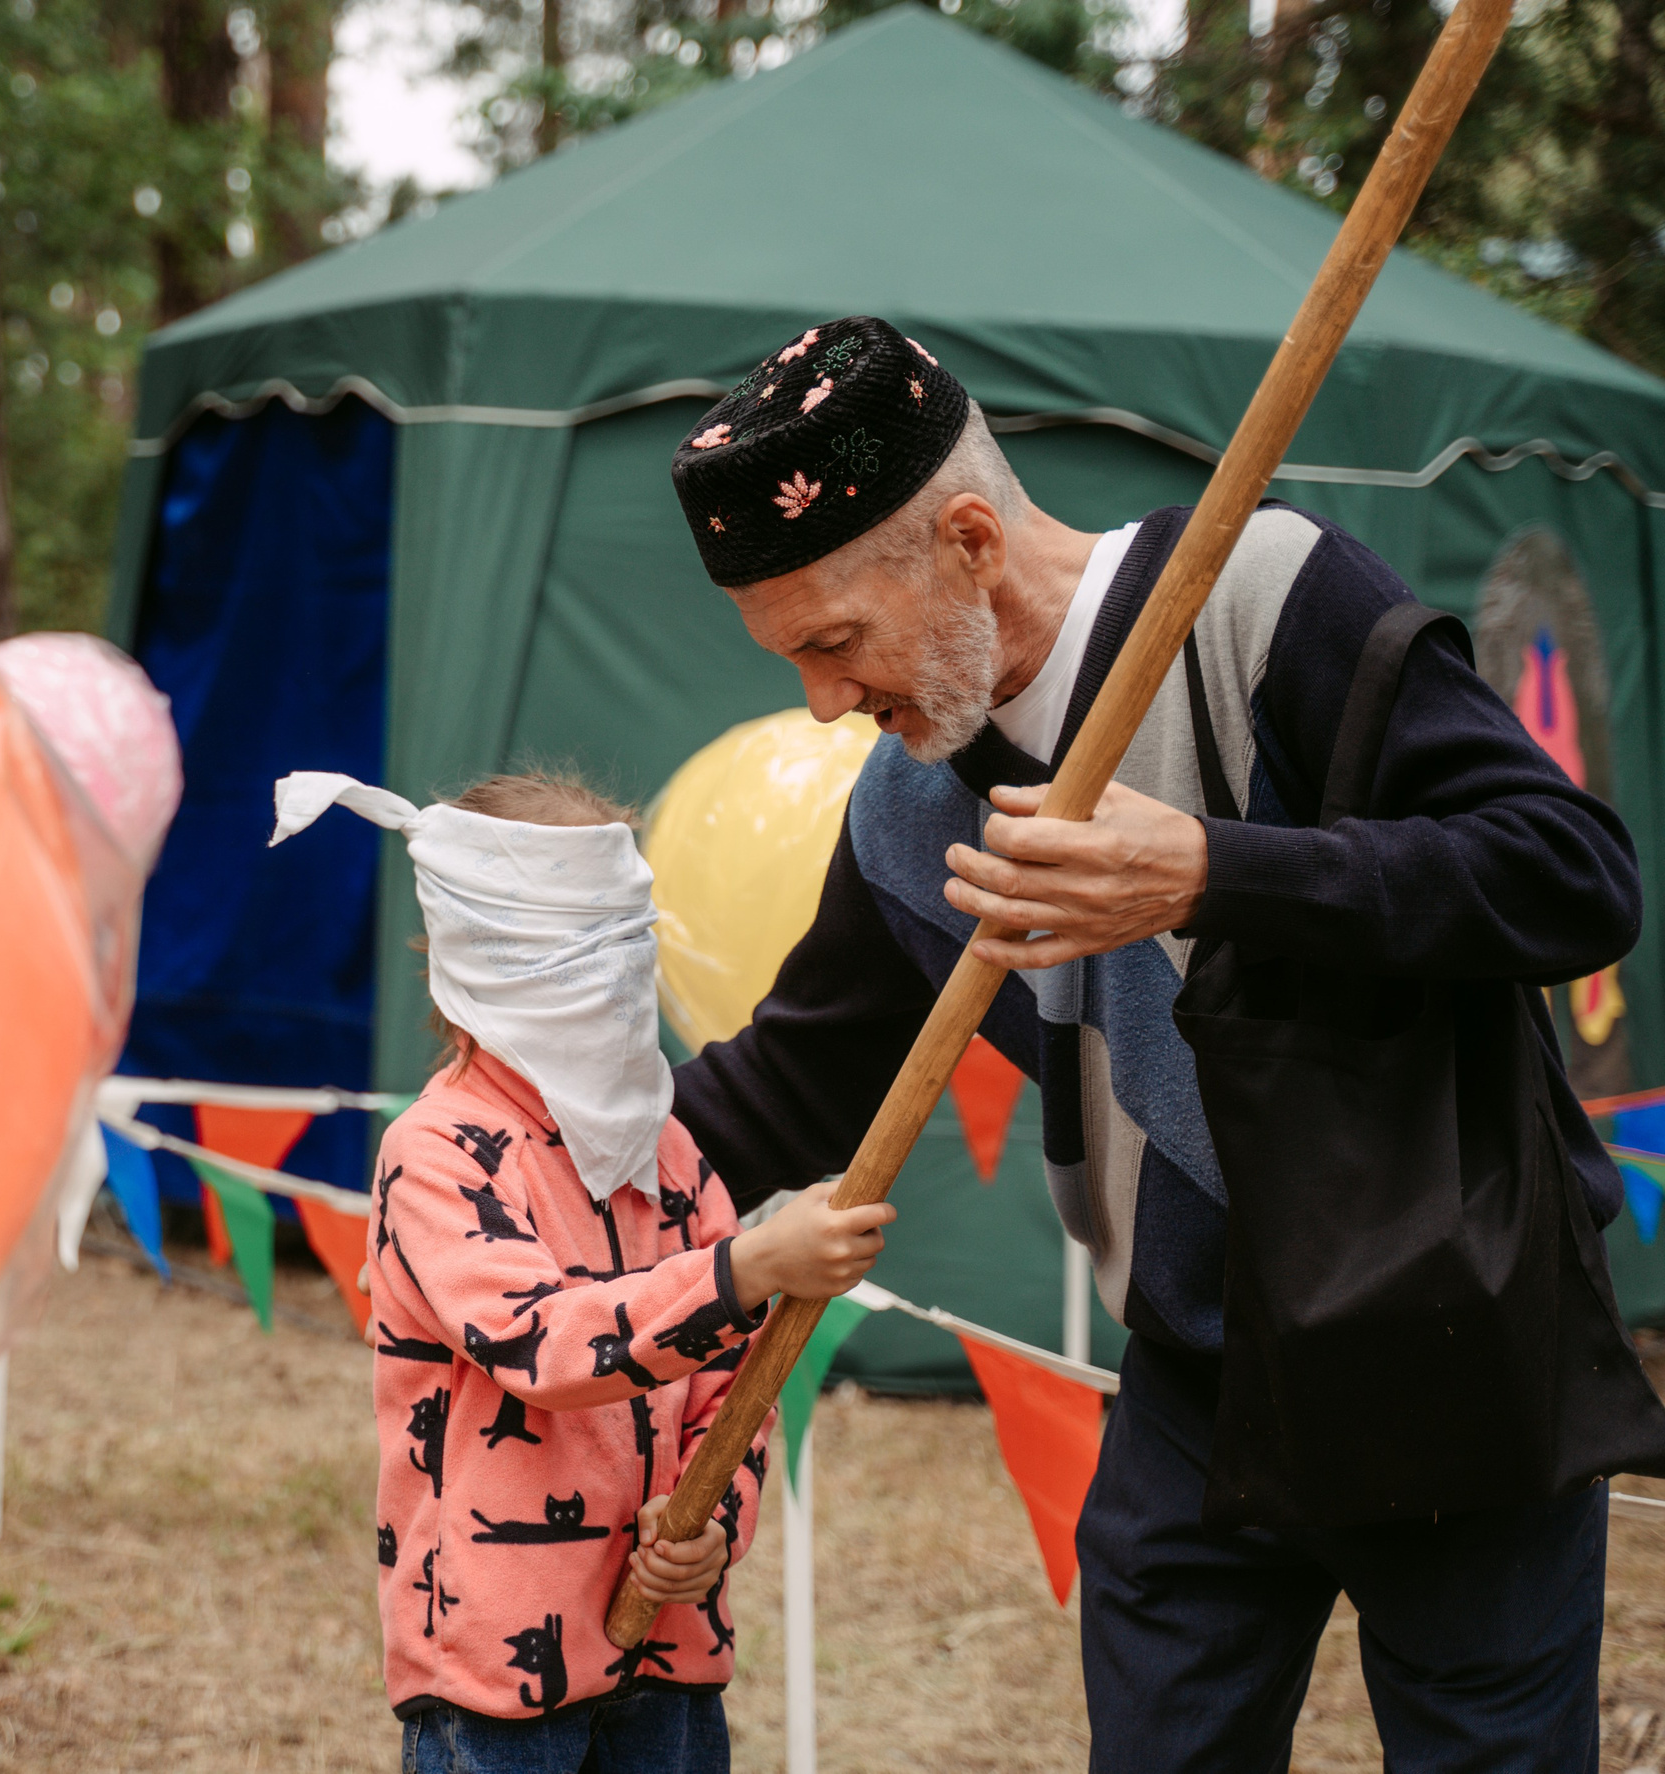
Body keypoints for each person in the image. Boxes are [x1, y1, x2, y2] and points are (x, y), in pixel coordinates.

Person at [661, 314, 1653, 1770]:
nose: (820, 702)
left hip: (1454, 1326)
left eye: (832, 641)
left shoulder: (1260, 600)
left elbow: (1568, 872)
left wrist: (1212, 870)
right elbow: (786, 1086)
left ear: (972, 541)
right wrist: (506, 1163)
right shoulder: (906, 809)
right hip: (1192, 1373)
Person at [268, 768, 894, 1774]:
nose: (605, 979)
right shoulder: (441, 1153)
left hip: (670, 1654)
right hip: (496, 1671)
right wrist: (748, 1267)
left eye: (622, 945)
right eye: (571, 949)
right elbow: (540, 1341)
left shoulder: (671, 1153)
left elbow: (735, 1388)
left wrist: (709, 1524)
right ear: (482, 957)